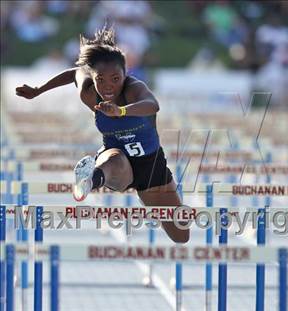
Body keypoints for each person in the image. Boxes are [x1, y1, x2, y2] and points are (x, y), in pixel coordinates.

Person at [15, 27, 189, 243]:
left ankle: (100, 176)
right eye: (101, 79)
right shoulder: (89, 92)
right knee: (115, 159)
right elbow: (73, 74)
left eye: (115, 79)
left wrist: (122, 111)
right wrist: (38, 90)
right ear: (93, 77)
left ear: (125, 74)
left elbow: (153, 105)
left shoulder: (134, 89)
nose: (108, 87)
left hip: (151, 166)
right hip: (116, 162)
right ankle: (90, 179)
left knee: (181, 235)